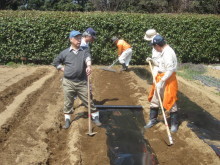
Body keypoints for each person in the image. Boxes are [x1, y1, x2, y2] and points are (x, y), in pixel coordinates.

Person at [52, 30, 101, 129]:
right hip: (68, 82)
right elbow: (55, 62)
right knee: (68, 101)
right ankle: (67, 119)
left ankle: (95, 117)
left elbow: (88, 58)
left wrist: (88, 66)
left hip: (81, 81)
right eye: (76, 38)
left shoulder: (84, 51)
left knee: (88, 100)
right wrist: (62, 68)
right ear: (71, 39)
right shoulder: (65, 53)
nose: (79, 40)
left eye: (80, 38)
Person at [145, 35, 179, 133]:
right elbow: (161, 65)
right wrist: (152, 61)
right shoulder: (163, 52)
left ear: (157, 45)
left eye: (153, 46)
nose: (153, 48)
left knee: (171, 101)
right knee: (155, 99)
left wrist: (162, 81)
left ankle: (174, 124)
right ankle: (152, 120)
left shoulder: (168, 53)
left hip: (168, 79)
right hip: (161, 77)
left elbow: (170, 70)